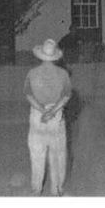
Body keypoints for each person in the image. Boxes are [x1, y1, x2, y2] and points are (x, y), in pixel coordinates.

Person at [25, 38, 72, 196]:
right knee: (57, 154)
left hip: (37, 115)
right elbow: (66, 96)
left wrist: (42, 110)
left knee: (37, 154)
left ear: (40, 55)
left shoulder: (32, 73)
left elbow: (29, 95)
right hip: (56, 114)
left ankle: (36, 189)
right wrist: (52, 111)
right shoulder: (63, 74)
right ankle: (56, 189)